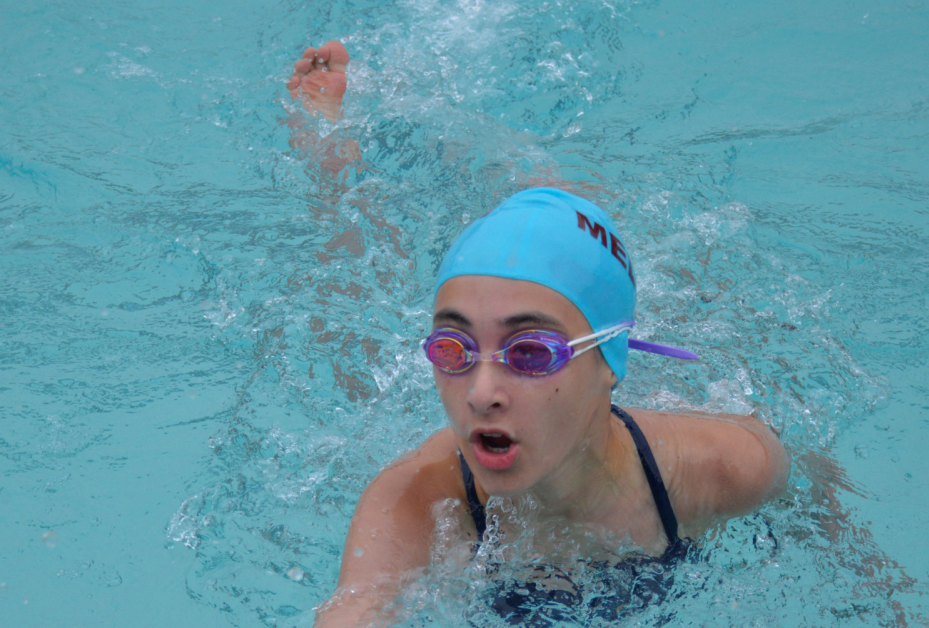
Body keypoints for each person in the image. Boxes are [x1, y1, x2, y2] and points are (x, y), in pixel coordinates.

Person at [289, 41, 790, 627]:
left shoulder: (728, 468)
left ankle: (540, 177)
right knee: (349, 298)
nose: (481, 394)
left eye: (529, 352)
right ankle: (328, 152)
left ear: (611, 357)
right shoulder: (416, 502)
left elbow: (824, 501)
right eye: (453, 349)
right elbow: (358, 608)